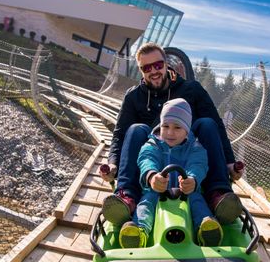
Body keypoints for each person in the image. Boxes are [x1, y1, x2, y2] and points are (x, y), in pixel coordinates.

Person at [100, 42, 243, 226]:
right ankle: (127, 196)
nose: (154, 71)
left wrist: (230, 163)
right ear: (141, 70)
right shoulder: (134, 97)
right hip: (152, 160)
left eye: (158, 65)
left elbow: (217, 126)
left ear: (166, 64)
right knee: (136, 129)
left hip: (187, 157)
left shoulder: (192, 89)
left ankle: (218, 194)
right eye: (147, 67)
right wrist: (112, 164)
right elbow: (120, 135)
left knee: (207, 123)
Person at [119, 98, 223, 248]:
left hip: (185, 190)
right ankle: (139, 231)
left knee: (197, 201)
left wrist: (192, 179)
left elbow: (198, 164)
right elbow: (146, 158)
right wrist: (152, 175)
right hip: (157, 189)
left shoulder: (194, 147)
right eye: (165, 126)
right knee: (146, 202)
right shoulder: (153, 143)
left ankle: (205, 229)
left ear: (187, 129)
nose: (169, 132)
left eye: (177, 127)